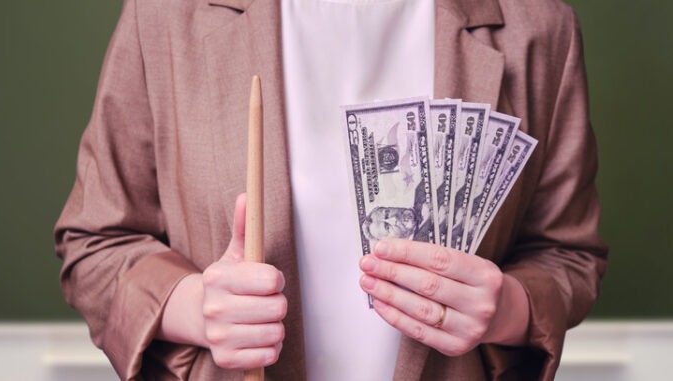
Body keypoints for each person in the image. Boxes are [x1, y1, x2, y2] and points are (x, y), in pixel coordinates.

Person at [54, 0, 607, 380]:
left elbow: (568, 255)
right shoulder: (167, 15)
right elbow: (95, 243)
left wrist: (506, 308)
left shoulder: (539, 26)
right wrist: (192, 306)